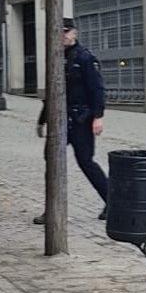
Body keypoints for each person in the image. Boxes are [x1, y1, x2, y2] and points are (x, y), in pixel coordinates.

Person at [35, 18, 108, 224]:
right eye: (59, 32)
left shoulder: (85, 58)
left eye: (66, 32)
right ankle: (52, 209)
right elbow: (52, 93)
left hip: (81, 118)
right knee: (52, 161)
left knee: (86, 162)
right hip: (60, 118)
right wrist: (42, 120)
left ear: (74, 33)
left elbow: (97, 89)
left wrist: (98, 116)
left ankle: (112, 200)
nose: (63, 36)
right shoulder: (56, 58)